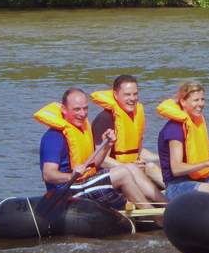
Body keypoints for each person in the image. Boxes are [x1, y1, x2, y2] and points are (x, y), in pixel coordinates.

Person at [36, 88, 164, 209]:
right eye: (77, 109)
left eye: (85, 109)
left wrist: (107, 144)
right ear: (64, 109)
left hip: (86, 181)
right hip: (68, 189)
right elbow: (48, 174)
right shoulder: (53, 138)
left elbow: (95, 164)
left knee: (130, 167)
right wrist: (70, 176)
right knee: (123, 173)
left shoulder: (83, 129)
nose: (83, 114)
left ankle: (166, 203)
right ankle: (155, 216)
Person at [91, 75, 165, 190]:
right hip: (113, 175)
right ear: (115, 95)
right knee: (149, 168)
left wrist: (160, 159)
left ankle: (175, 193)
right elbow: (101, 160)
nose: (132, 98)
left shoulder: (135, 115)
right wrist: (130, 167)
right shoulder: (105, 119)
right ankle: (169, 199)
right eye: (127, 95)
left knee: (152, 166)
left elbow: (137, 151)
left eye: (135, 94)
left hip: (132, 167)